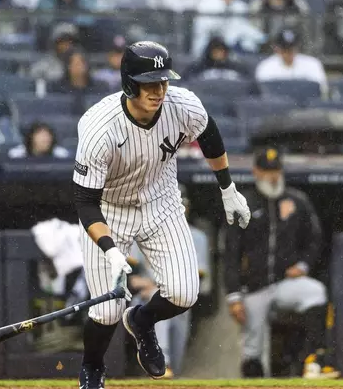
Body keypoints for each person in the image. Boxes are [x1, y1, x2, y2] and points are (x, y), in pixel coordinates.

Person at [73, 41, 251, 388]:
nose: (158, 90)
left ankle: (141, 320)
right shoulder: (99, 128)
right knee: (106, 310)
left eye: (163, 81)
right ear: (129, 83)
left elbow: (210, 136)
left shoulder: (182, 104)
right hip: (109, 209)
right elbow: (85, 202)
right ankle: (92, 368)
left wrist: (227, 188)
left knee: (185, 293)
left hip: (161, 201)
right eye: (149, 82)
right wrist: (110, 249)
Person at [224, 147, 338, 379]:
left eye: (276, 170)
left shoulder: (297, 200)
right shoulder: (242, 203)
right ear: (256, 171)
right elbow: (231, 253)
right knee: (252, 350)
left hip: (285, 281)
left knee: (315, 291)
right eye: (267, 171)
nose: (272, 176)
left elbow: (315, 239)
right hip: (253, 287)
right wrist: (233, 295)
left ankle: (313, 359)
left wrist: (304, 265)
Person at [255, 28, 328, 96]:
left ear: (297, 48)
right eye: (284, 49)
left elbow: (322, 90)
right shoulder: (266, 66)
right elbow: (263, 95)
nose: (288, 53)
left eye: (291, 49)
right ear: (276, 48)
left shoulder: (312, 64)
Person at [183, 37, 251, 81]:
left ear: (226, 52)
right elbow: (186, 82)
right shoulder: (197, 67)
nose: (219, 53)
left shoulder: (237, 68)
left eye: (221, 50)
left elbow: (248, 84)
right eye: (215, 50)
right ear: (209, 51)